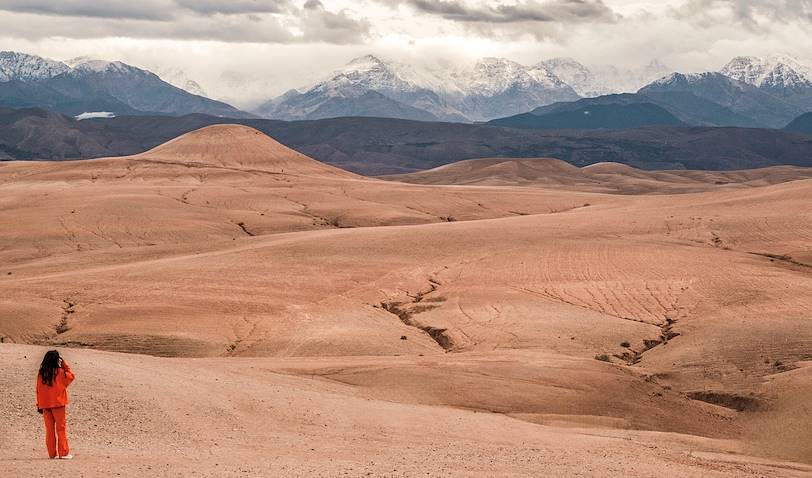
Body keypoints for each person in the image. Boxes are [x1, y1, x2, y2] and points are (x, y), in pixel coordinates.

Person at [36, 350, 75, 460]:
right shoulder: (60, 372)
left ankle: (52, 454)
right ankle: (63, 453)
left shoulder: (41, 373)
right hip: (58, 404)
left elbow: (38, 389)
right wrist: (64, 364)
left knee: (49, 430)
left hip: (45, 404)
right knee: (61, 429)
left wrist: (38, 404)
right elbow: (71, 376)